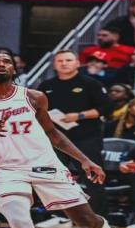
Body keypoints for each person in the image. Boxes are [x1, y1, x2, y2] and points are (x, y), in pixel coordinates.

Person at [0, 48, 135, 228]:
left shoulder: (33, 97)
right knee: (19, 221)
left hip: (44, 163)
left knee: (86, 220)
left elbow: (52, 133)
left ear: (14, 69)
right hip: (5, 170)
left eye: (7, 61)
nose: (1, 64)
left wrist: (84, 160)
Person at [37, 50, 109, 217]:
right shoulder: (46, 86)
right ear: (54, 65)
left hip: (86, 137)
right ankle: (58, 216)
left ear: (77, 63)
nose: (64, 63)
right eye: (60, 61)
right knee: (56, 177)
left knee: (92, 176)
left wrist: (79, 116)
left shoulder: (91, 83)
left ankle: (99, 216)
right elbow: (36, 108)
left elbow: (106, 108)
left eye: (68, 60)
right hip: (55, 139)